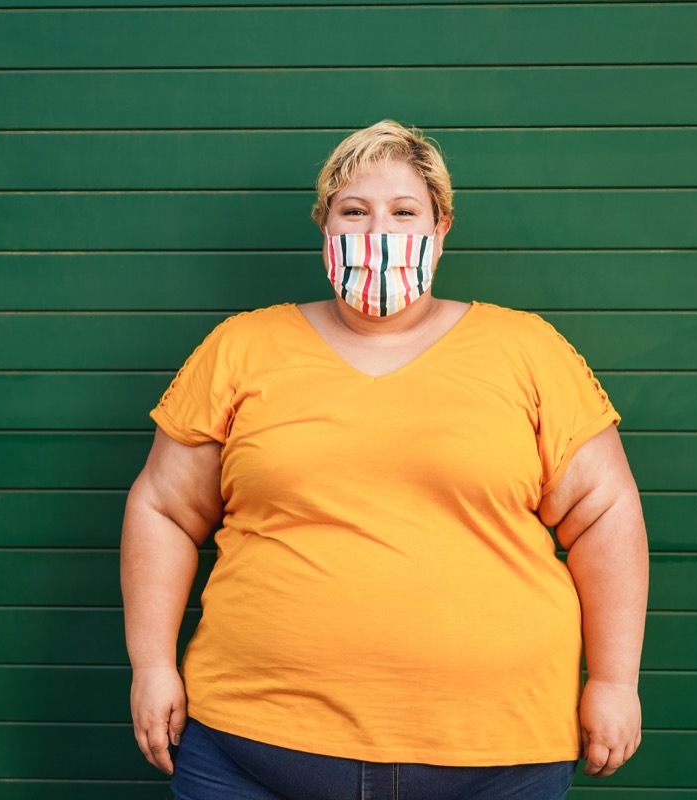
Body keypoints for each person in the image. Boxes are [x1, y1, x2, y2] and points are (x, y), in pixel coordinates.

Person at [121, 120, 649, 800]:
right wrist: (151, 664)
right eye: (354, 211)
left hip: (498, 757)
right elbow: (164, 507)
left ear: (441, 228)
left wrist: (613, 682)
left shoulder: (528, 350)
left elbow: (604, 513)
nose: (380, 231)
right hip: (250, 750)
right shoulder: (241, 346)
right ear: (325, 227)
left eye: (404, 212)